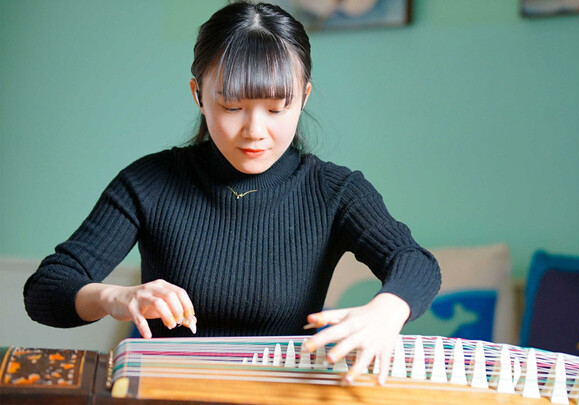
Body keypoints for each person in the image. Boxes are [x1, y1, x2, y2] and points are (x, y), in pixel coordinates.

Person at [23, 1, 441, 385]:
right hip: (169, 391)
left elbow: (413, 261)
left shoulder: (335, 191)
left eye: (277, 109)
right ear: (199, 96)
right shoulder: (149, 182)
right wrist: (116, 296)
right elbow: (46, 289)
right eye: (232, 107)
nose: (255, 131)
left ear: (304, 97)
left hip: (280, 393)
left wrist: (389, 308)